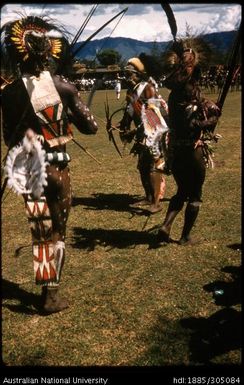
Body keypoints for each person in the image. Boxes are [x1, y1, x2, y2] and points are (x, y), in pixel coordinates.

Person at [1, 15, 98, 314]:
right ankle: (50, 294)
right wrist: (68, 112)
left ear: (19, 50)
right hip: (57, 169)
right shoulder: (63, 87)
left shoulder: (9, 93)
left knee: (41, 230)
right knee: (58, 230)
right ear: (49, 49)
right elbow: (91, 128)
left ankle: (48, 293)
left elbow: (8, 139)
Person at [158, 42, 221, 245]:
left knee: (182, 190)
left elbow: (196, 105)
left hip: (176, 150)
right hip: (191, 150)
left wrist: (209, 105)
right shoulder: (187, 91)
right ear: (191, 67)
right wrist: (210, 120)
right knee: (195, 194)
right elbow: (192, 124)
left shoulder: (176, 92)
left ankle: (166, 226)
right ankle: (185, 237)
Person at [118, 53, 169, 214]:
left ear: (139, 74)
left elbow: (152, 113)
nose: (127, 77)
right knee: (142, 166)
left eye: (130, 74)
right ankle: (148, 197)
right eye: (126, 74)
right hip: (142, 133)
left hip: (153, 131)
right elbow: (129, 111)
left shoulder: (148, 88)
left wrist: (138, 130)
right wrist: (123, 125)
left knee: (154, 166)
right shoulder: (130, 91)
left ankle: (156, 202)